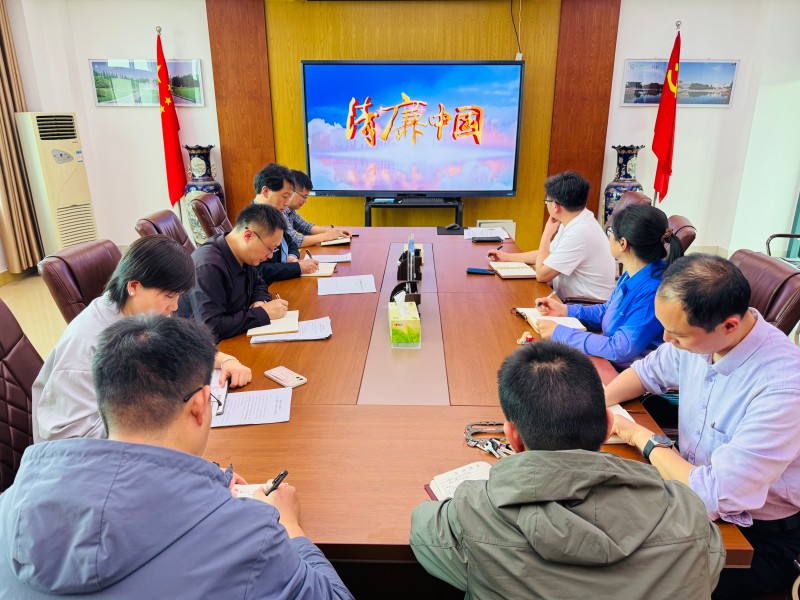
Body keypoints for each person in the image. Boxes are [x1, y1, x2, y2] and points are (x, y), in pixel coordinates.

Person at [0, 315, 354, 599]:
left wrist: (198, 486)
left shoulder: (8, 507)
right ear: (199, 405)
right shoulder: (251, 537)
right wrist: (289, 525)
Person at [410, 341, 724, 599]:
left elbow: (422, 527)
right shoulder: (687, 513)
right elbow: (706, 570)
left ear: (512, 437)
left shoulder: (471, 513)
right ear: (609, 427)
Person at [605, 254, 800, 598]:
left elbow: (712, 496)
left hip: (754, 538)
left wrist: (640, 436)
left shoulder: (783, 387)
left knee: (626, 575)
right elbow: (647, 372)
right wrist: (597, 406)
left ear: (729, 326)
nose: (666, 339)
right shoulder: (701, 337)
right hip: (688, 489)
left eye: (678, 334)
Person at [32, 235, 252, 443]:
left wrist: (225, 360)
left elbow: (180, 347)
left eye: (178, 296)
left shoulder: (140, 313)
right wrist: (161, 419)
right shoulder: (87, 343)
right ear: (134, 286)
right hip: (90, 455)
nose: (174, 306)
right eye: (169, 296)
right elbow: (71, 438)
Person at [534, 203, 684, 368]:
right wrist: (565, 310)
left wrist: (560, 333)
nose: (609, 236)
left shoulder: (654, 291)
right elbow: (607, 311)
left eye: (611, 232)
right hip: (607, 359)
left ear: (623, 244)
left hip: (622, 372)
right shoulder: (633, 273)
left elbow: (620, 349)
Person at [488, 170, 615, 301]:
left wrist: (546, 235)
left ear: (555, 206)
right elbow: (549, 255)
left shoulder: (579, 233)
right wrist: (507, 257)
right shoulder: (576, 219)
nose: (546, 204)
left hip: (585, 306)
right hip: (569, 300)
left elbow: (542, 274)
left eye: (546, 201)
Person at [178, 203, 289, 341]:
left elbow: (259, 283)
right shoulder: (208, 265)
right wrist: (261, 313)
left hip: (234, 335)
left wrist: (259, 302)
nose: (270, 256)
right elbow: (211, 327)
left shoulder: (244, 254)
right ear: (248, 235)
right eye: (270, 249)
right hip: (203, 346)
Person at [252, 163, 319, 282]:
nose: (287, 203)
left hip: (285, 277)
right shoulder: (252, 221)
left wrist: (292, 257)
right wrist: (297, 268)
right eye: (285, 196)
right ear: (266, 191)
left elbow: (291, 242)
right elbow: (258, 271)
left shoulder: (273, 214)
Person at [286, 169, 351, 248]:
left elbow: (306, 227)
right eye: (304, 196)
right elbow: (294, 241)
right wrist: (325, 236)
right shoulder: (279, 210)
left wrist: (335, 232)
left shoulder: (290, 210)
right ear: (291, 191)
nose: (305, 201)